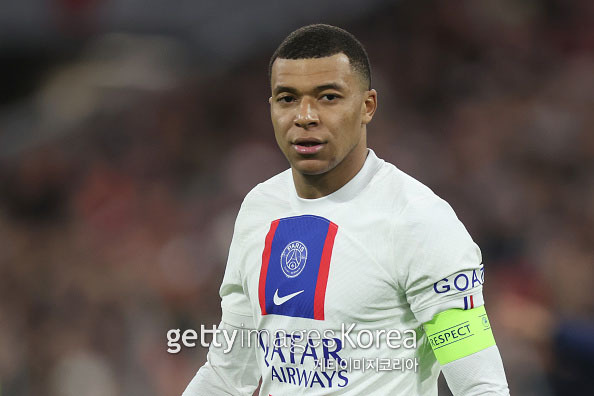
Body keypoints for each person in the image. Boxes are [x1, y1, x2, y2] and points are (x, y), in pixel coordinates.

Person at [183, 24, 509, 395]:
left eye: (328, 97)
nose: (304, 116)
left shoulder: (419, 221)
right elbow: (228, 374)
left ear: (367, 106)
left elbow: (481, 387)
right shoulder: (260, 209)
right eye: (287, 98)